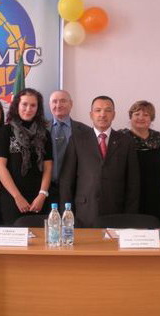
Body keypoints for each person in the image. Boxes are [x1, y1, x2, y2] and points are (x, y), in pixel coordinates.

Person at [60, 95, 140, 228]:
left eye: (108, 110)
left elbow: (133, 182)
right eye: (98, 110)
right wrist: (67, 214)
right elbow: (67, 180)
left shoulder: (126, 141)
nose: (102, 114)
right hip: (84, 211)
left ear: (114, 115)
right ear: (91, 114)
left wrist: (130, 216)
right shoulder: (77, 140)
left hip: (116, 211)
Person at [0, 88, 53, 225]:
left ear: (38, 109)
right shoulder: (5, 131)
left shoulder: (44, 134)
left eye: (33, 105)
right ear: (17, 106)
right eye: (24, 104)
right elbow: (0, 167)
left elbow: (48, 167)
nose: (28, 109)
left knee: (40, 237)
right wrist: (17, 197)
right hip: (12, 198)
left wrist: (42, 194)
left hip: (39, 199)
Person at [119, 100, 160, 222]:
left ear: (151, 118)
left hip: (155, 195)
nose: (141, 118)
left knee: (154, 227)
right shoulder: (121, 138)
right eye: (137, 114)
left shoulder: (159, 138)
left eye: (146, 115)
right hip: (129, 196)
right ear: (130, 117)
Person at [47, 90, 89, 202]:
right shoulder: (40, 129)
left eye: (63, 101)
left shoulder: (86, 131)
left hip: (76, 191)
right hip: (46, 190)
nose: (58, 105)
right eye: (54, 101)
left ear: (71, 104)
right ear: (49, 105)